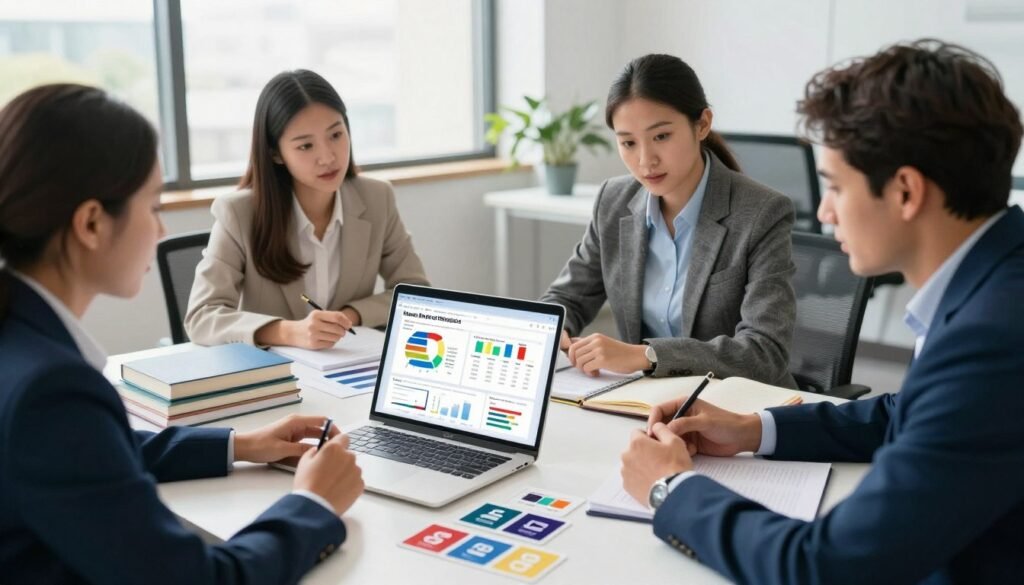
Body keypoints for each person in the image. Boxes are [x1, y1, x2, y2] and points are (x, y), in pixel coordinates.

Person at [620, 39, 1024, 584]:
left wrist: (670, 488)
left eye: (834, 186)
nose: (826, 211)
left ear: (905, 191)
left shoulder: (995, 339)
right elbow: (910, 415)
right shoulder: (995, 282)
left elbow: (826, 566)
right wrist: (752, 429)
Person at [0, 84, 365, 585]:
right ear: (90, 223)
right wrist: (313, 503)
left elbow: (94, 454)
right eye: (152, 207)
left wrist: (241, 444)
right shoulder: (53, 390)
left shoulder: (20, 345)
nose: (162, 231)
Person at [541, 54, 797, 387]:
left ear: (702, 124)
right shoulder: (614, 202)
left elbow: (764, 352)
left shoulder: (762, 213)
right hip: (644, 401)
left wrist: (645, 356)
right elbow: (567, 299)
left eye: (661, 136)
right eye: (628, 143)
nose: (645, 160)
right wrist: (556, 329)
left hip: (735, 409)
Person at [185, 69, 429, 348]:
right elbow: (201, 317)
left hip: (348, 367)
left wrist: (349, 316)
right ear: (276, 153)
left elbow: (416, 293)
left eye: (336, 135)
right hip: (274, 377)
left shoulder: (376, 198)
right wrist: (287, 332)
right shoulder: (239, 214)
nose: (327, 157)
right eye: (305, 146)